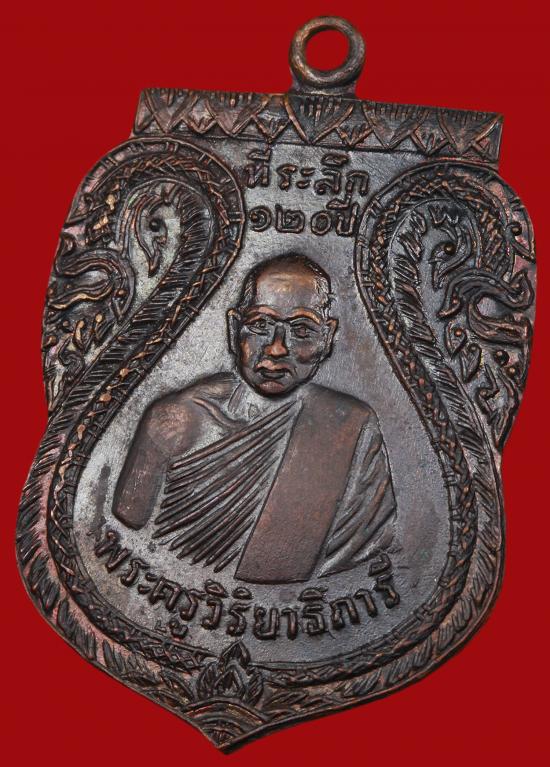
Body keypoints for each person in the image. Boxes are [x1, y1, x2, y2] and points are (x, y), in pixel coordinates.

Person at [113, 253, 396, 583]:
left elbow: (370, 555)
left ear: (327, 336)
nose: (276, 349)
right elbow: (124, 531)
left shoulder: (349, 426)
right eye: (260, 325)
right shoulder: (174, 418)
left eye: (302, 329)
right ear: (235, 328)